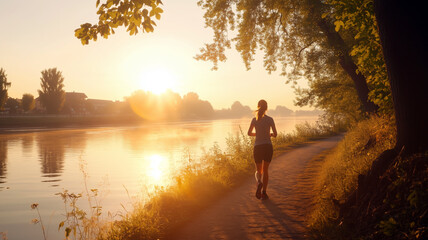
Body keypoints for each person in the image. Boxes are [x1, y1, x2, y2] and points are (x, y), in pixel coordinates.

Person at [247, 99, 277, 200]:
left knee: (258, 171)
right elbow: (275, 134)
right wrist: (270, 134)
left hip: (258, 147)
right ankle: (264, 193)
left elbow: (249, 133)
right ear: (266, 108)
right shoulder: (270, 119)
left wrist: (258, 134)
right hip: (268, 146)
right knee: (265, 170)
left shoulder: (254, 119)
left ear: (258, 106)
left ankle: (259, 182)